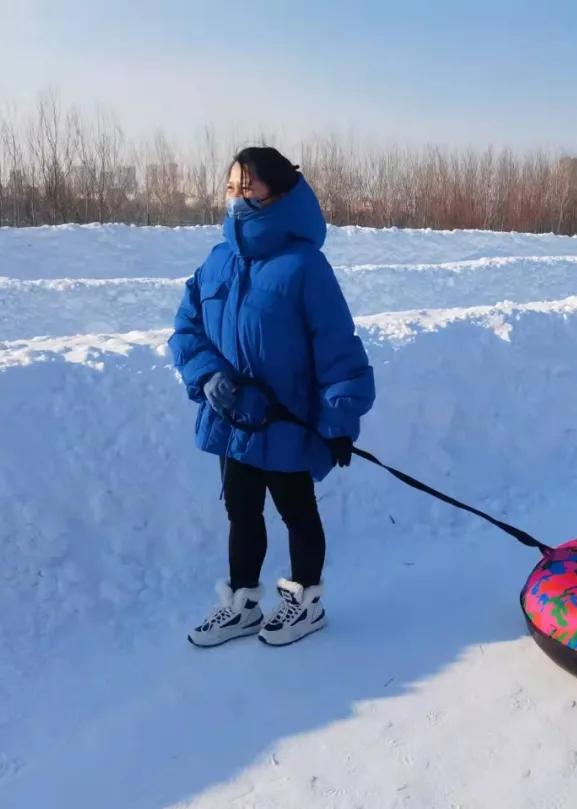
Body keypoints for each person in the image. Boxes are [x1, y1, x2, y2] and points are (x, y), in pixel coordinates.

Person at [169, 147, 375, 648]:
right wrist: (209, 374)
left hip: (286, 419)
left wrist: (340, 420)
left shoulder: (304, 265)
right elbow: (186, 330)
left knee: (296, 510)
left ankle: (305, 602)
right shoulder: (217, 260)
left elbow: (336, 344)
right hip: (233, 419)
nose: (237, 196)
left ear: (278, 191)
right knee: (241, 511)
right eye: (231, 186)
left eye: (249, 186)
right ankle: (242, 605)